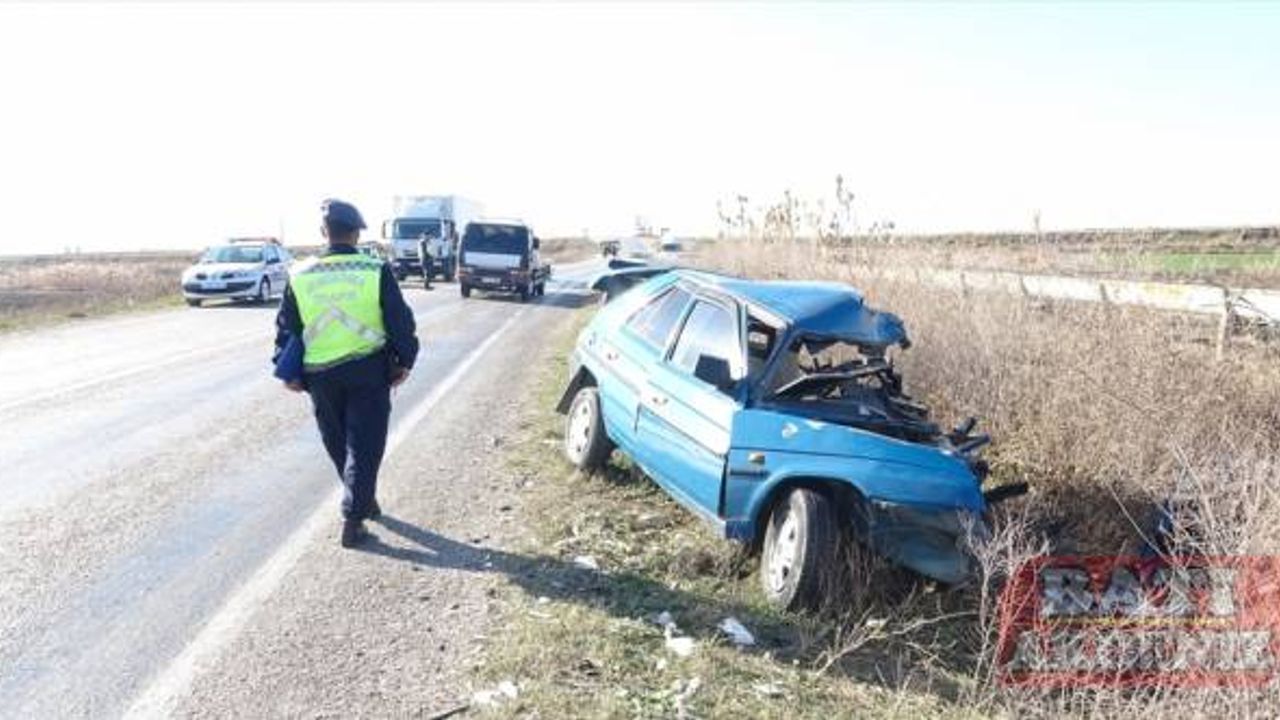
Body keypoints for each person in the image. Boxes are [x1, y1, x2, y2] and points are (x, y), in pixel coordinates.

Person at [274, 199, 420, 547]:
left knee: (339, 444)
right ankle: (354, 518)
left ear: (324, 232)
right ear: (356, 233)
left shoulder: (300, 274)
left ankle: (362, 497)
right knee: (365, 446)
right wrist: (405, 359)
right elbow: (398, 320)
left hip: (320, 374)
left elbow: (286, 327)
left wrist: (287, 369)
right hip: (367, 369)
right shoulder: (374, 269)